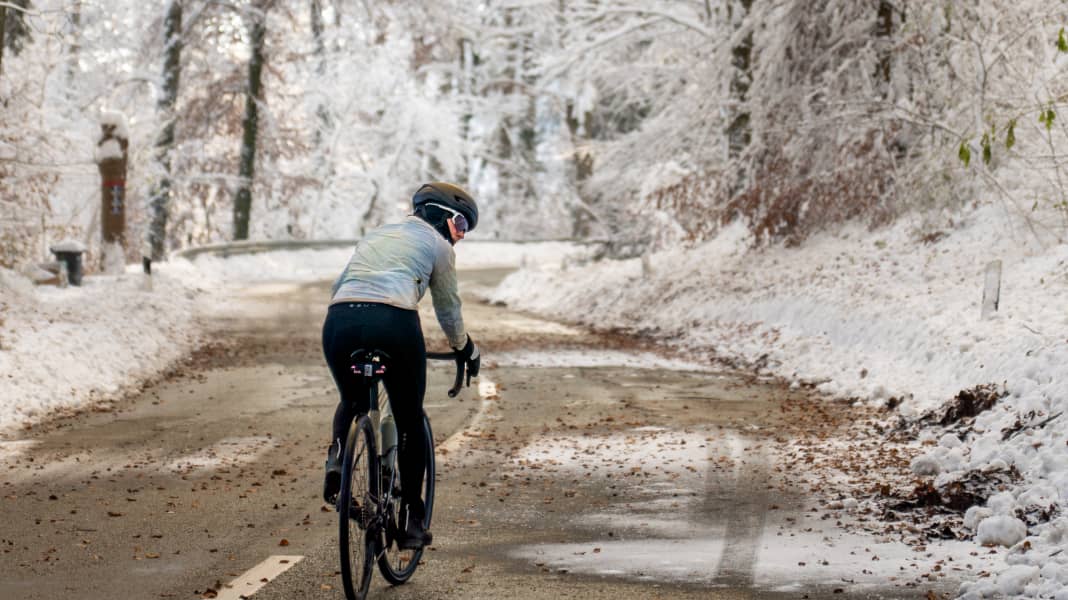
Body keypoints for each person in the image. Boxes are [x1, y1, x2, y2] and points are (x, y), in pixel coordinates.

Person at [321, 182, 481, 549]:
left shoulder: (378, 234)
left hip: (340, 319)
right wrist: (464, 349)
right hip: (394, 322)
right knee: (409, 418)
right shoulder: (439, 247)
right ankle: (412, 518)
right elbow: (448, 308)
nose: (460, 236)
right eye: (461, 226)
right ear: (444, 218)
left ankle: (337, 465)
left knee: (353, 399)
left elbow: (338, 285)